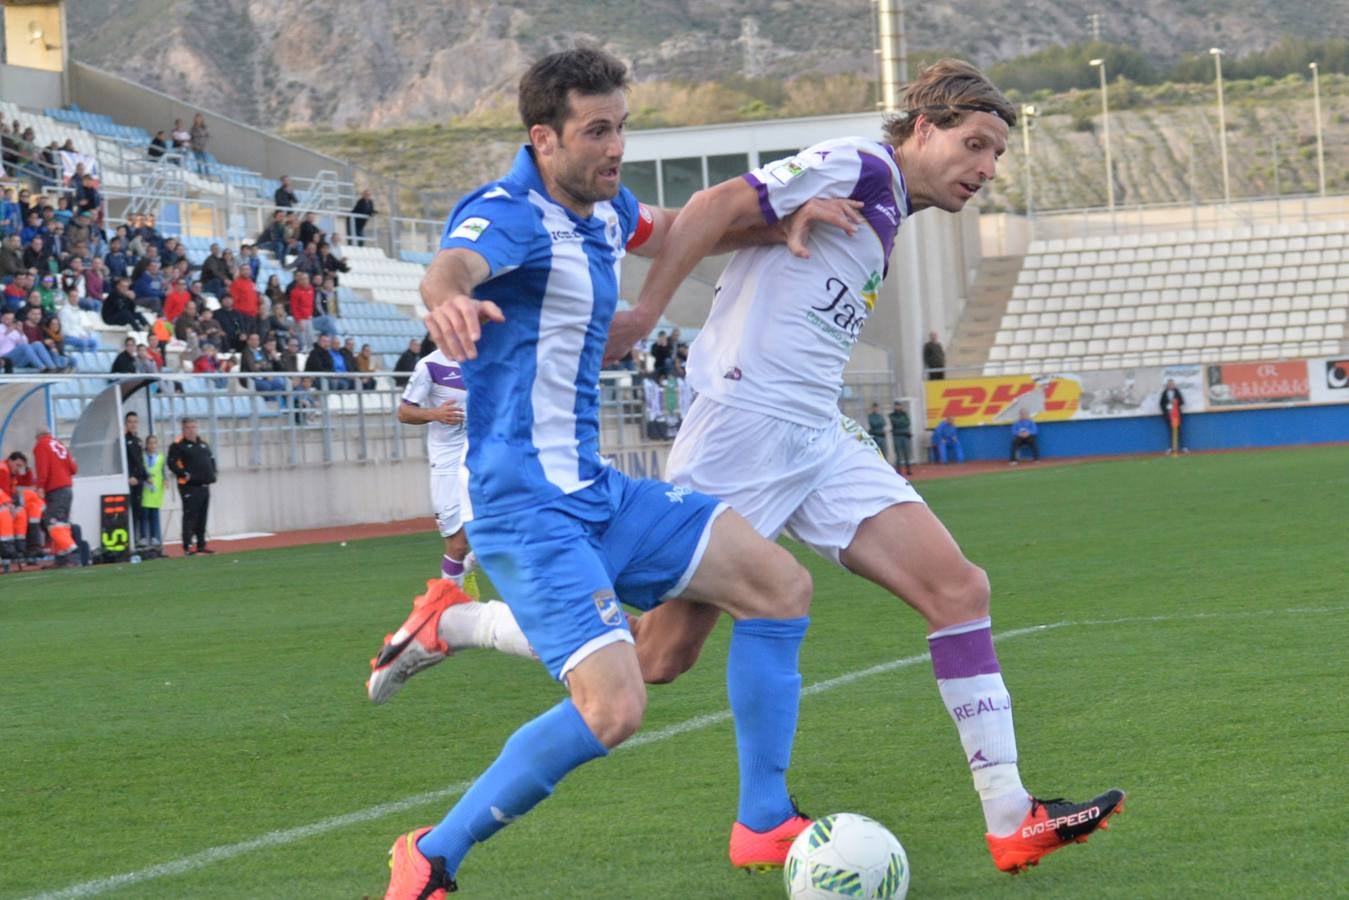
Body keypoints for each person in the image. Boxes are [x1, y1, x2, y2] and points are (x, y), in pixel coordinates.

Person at [414, 57, 1125, 881]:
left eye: (996, 155)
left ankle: (1011, 817)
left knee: (958, 589)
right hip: (743, 429)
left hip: (813, 433)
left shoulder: (881, 204)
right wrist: (646, 313)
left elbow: (724, 225)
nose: (986, 169)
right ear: (922, 131)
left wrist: (770, 224)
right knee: (656, 658)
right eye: (974, 145)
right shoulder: (858, 163)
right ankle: (458, 623)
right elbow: (714, 205)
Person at [371, 48, 816, 899]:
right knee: (615, 710)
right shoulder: (505, 211)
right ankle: (430, 855)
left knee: (777, 585)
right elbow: (452, 266)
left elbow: (680, 225)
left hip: (597, 491)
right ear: (543, 138)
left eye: (621, 127)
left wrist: (787, 223)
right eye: (597, 131)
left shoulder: (603, 210)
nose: (615, 147)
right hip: (524, 510)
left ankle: (762, 821)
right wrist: (448, 300)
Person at [396, 347, 486, 592]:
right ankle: (452, 599)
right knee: (457, 545)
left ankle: (467, 569)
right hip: (447, 463)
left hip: (482, 457)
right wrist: (434, 413)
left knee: (505, 525)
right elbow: (404, 412)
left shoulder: (486, 356)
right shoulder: (430, 365)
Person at [166, 418, 216, 556]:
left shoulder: (203, 444)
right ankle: (187, 546)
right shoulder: (178, 445)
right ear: (183, 429)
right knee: (190, 516)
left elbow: (211, 460)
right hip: (189, 487)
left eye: (194, 427)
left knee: (202, 516)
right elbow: (171, 463)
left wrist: (213, 474)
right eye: (188, 427)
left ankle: (201, 545)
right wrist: (183, 474)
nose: (191, 430)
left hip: (204, 485)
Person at [33, 424, 78, 566]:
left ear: (38, 437)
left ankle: (72, 551)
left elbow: (43, 469)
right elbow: (73, 468)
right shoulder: (59, 444)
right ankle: (62, 558)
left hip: (55, 490)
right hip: (67, 489)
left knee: (52, 523)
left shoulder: (41, 445)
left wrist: (40, 486)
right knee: (63, 523)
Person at [124, 411, 148, 544]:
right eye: (130, 422)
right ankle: (130, 540)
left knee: (138, 511)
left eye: (135, 421)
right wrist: (128, 476)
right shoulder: (123, 440)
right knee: (130, 512)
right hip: (130, 481)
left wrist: (146, 476)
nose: (133, 424)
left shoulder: (138, 441)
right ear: (126, 424)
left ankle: (136, 539)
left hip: (139, 481)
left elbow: (140, 461)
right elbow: (122, 461)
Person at [139, 434, 165, 547]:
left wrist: (165, 480)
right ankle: (143, 537)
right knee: (144, 514)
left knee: (154, 514)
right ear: (146, 444)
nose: (152, 445)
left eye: (154, 443)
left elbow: (163, 471)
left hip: (156, 489)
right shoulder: (142, 457)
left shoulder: (160, 457)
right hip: (145, 487)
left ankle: (154, 537)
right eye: (150, 443)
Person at [1159, 379, 1185, 455]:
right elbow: (1161, 403)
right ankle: (1171, 448)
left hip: (1176, 415)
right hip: (1168, 415)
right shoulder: (1164, 393)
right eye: (1169, 384)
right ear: (1167, 385)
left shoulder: (1177, 392)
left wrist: (1175, 402)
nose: (1171, 385)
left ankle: (1182, 447)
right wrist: (1166, 410)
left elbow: (1182, 402)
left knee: (1179, 431)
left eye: (1172, 384)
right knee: (1171, 432)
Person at [889, 400, 913, 475]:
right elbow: (895, 423)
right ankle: (899, 471)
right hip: (897, 436)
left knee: (907, 454)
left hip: (905, 436)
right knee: (898, 455)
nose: (898, 407)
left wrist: (901, 423)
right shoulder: (892, 415)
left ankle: (908, 470)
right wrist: (901, 422)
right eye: (897, 406)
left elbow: (907, 423)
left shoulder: (904, 414)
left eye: (899, 405)